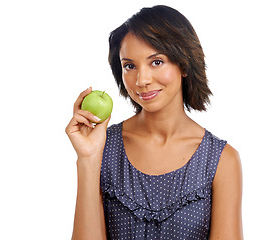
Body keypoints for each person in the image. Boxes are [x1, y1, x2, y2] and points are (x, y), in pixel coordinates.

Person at [66, 5, 243, 240]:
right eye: (130, 66)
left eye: (156, 62)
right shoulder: (102, 147)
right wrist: (88, 159)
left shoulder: (221, 160)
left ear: (183, 64)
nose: (142, 80)